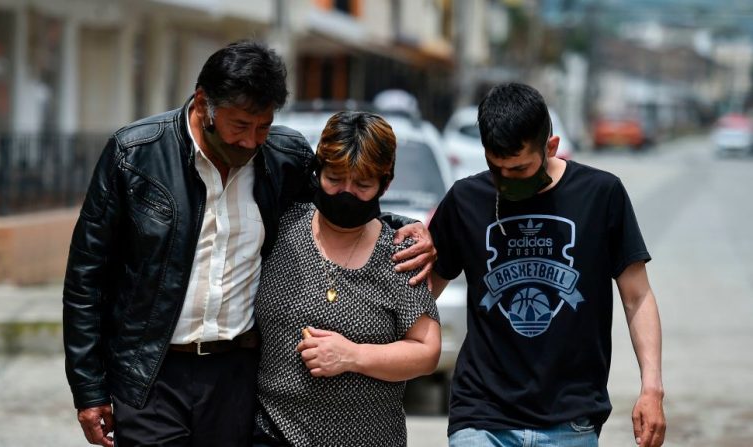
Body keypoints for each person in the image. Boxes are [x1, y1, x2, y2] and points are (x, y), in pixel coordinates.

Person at [62, 40, 436, 447]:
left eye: (263, 126)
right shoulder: (135, 155)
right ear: (204, 103)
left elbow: (343, 201)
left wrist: (406, 226)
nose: (251, 141)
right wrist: (89, 389)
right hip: (152, 371)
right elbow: (86, 278)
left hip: (236, 376)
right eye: (240, 126)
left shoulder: (282, 157)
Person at [428, 82, 666, 447]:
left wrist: (652, 388)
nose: (506, 181)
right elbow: (424, 293)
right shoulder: (465, 199)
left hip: (569, 420)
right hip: (481, 415)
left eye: (520, 169)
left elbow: (637, 298)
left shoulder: (600, 195)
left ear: (551, 147)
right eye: (497, 168)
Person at [252, 111, 441, 447]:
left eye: (362, 185)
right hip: (273, 433)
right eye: (334, 179)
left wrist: (352, 356)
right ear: (317, 171)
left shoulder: (401, 251)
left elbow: (426, 350)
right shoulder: (280, 227)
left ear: (386, 183)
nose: (346, 193)